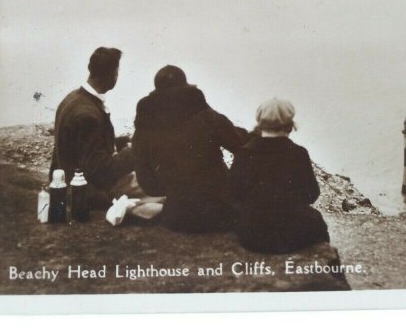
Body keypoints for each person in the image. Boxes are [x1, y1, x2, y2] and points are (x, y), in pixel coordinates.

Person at [132, 65, 250, 232]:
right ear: (185, 86)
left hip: (176, 217)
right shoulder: (203, 111)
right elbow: (239, 144)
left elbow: (147, 181)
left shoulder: (145, 122)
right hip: (219, 213)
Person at [230, 98, 330, 253]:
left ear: (260, 123)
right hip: (293, 234)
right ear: (289, 125)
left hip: (253, 235)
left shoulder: (244, 153)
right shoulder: (298, 153)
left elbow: (234, 194)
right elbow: (311, 194)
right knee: (316, 220)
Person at [49, 47, 138, 208]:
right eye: (117, 72)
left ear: (91, 69)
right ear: (112, 75)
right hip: (87, 191)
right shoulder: (88, 115)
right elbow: (100, 172)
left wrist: (122, 141)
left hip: (67, 181)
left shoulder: (73, 98)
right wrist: (132, 151)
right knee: (156, 186)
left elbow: (82, 148)